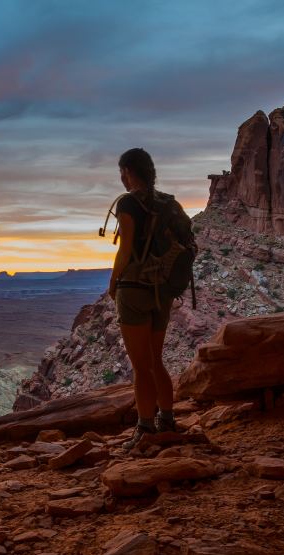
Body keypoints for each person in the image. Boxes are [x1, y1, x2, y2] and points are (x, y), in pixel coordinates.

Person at [108, 147, 177, 451]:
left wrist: (113, 282)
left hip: (134, 289)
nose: (122, 178)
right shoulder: (167, 203)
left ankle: (145, 427)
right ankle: (168, 419)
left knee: (141, 366)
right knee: (156, 360)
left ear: (127, 171)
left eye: (122, 172)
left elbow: (126, 249)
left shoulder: (128, 202)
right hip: (162, 290)